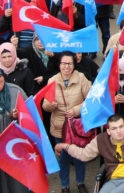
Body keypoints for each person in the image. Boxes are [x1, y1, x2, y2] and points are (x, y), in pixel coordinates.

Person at [55, 114, 124, 193]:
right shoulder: (101, 140)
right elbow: (84, 155)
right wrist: (66, 146)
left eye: (121, 127)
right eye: (114, 128)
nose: (119, 131)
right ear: (108, 131)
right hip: (113, 179)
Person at [42, 51, 91, 193]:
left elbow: (90, 100)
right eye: (64, 63)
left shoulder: (81, 78)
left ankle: (81, 183)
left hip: (77, 126)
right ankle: (64, 186)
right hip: (59, 126)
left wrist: (76, 110)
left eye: (70, 63)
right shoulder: (52, 81)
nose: (67, 67)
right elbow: (45, 104)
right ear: (59, 65)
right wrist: (50, 106)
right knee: (63, 158)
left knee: (79, 157)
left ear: (74, 64)